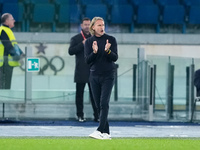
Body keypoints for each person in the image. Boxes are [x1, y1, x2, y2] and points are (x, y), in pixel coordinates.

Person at [84, 17, 118, 139]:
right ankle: (106, 132)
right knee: (98, 105)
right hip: (94, 76)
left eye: (103, 25)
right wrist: (94, 52)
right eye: (99, 25)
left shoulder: (111, 40)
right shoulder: (89, 42)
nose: (102, 27)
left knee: (104, 103)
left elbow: (115, 58)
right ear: (93, 27)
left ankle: (99, 130)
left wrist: (108, 51)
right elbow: (87, 60)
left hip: (108, 75)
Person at [68, 18, 99, 122]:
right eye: (85, 24)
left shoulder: (95, 38)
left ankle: (97, 115)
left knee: (94, 95)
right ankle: (80, 115)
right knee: (79, 95)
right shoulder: (76, 38)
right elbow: (71, 51)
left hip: (93, 71)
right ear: (81, 26)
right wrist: (82, 44)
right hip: (80, 71)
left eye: (88, 24)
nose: (87, 26)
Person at [0, 13, 24, 89]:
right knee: (4, 87)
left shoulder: (8, 31)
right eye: (12, 19)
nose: (14, 20)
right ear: (7, 21)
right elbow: (8, 46)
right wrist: (18, 58)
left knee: (6, 86)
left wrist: (22, 53)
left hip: (6, 64)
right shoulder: (3, 30)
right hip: (3, 64)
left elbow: (14, 45)